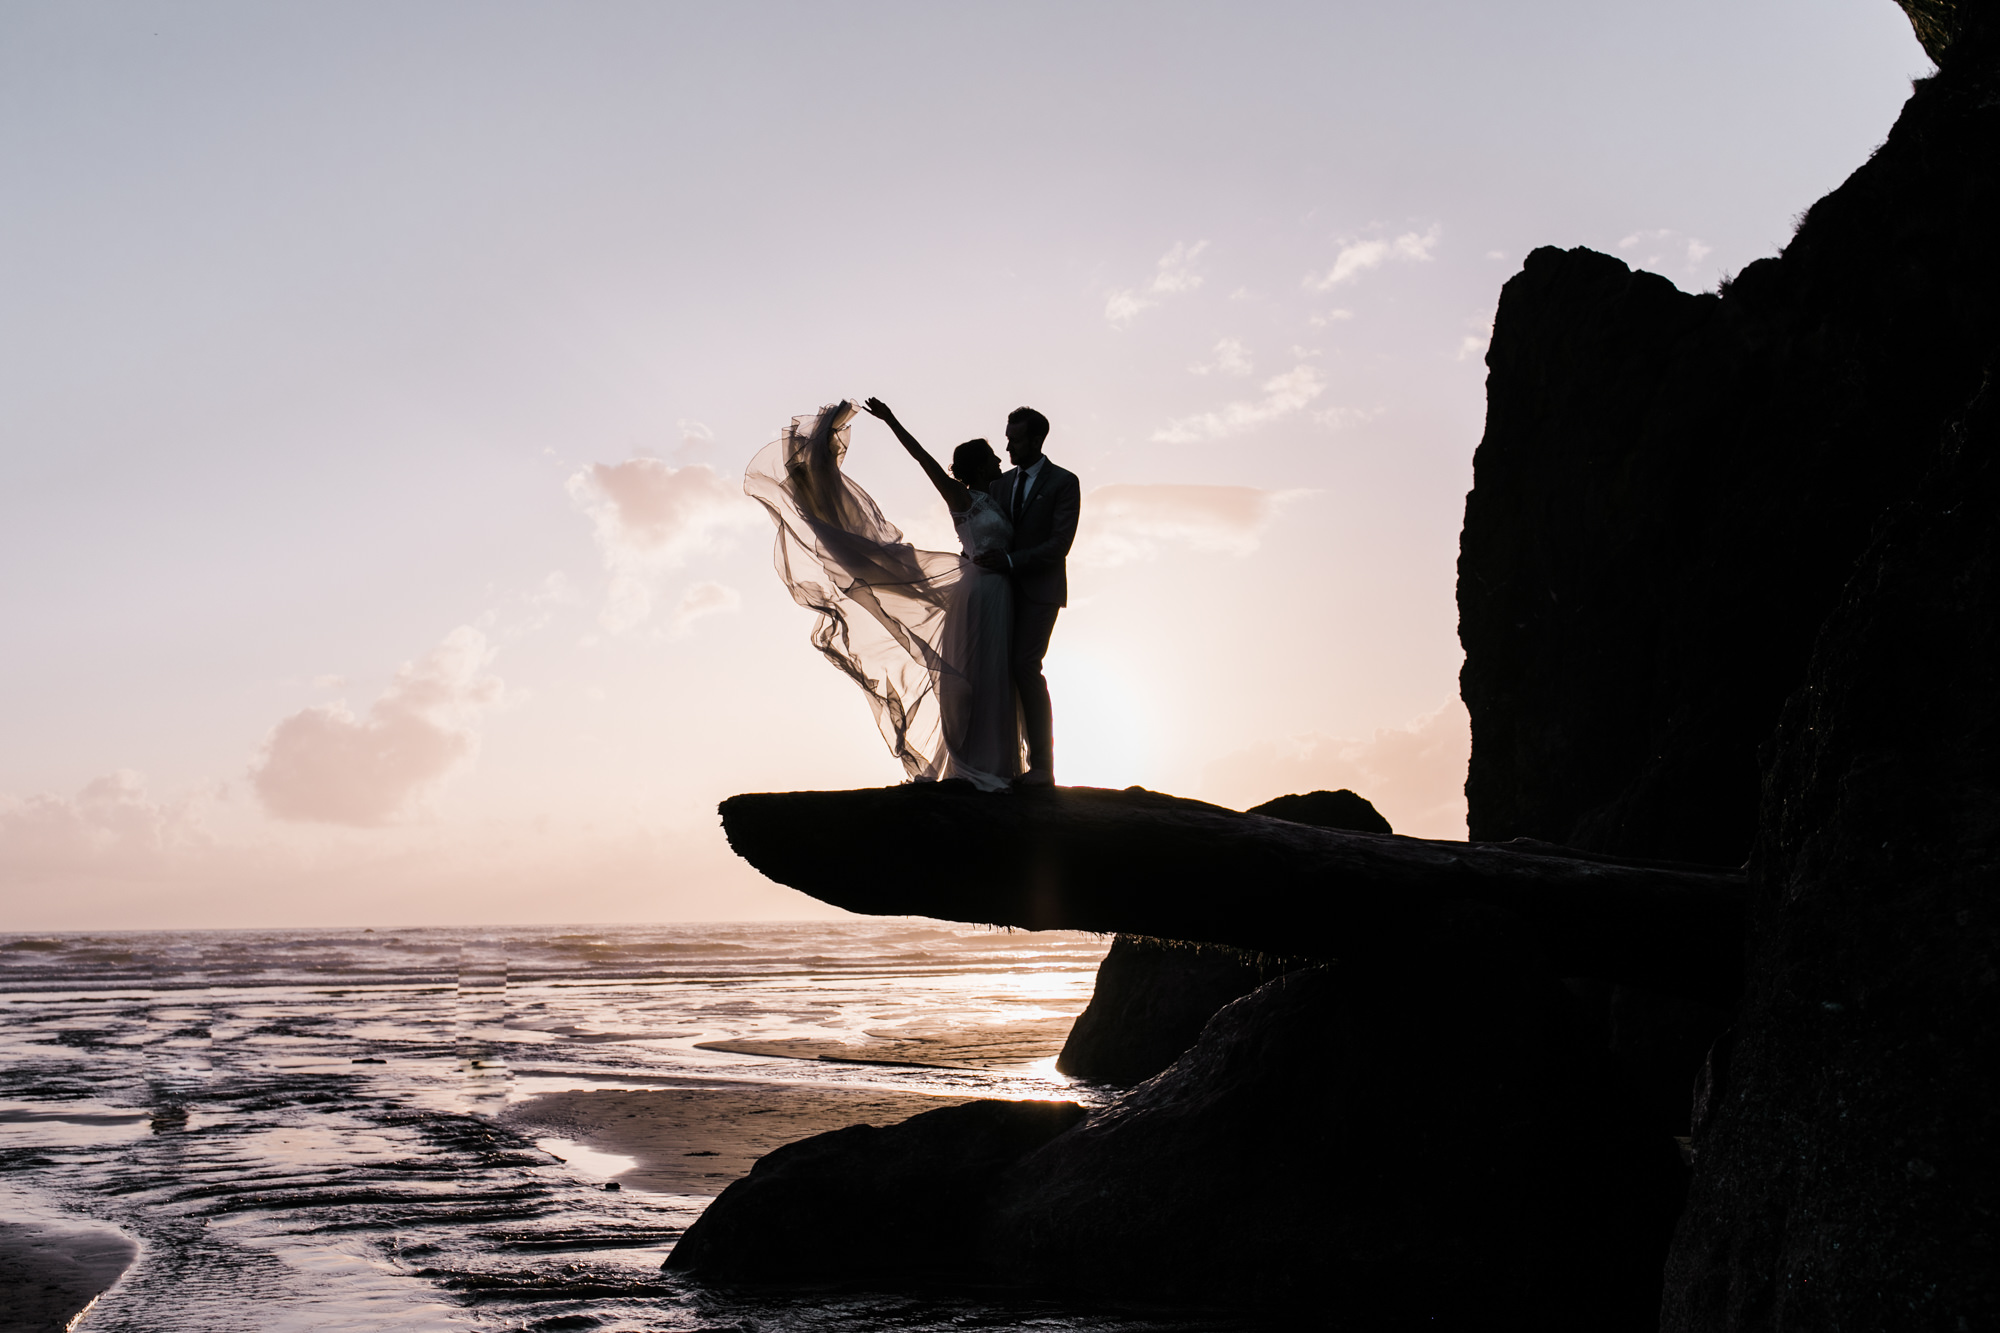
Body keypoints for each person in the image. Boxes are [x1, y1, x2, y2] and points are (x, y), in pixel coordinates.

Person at [742, 399, 1025, 790]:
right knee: (982, 674)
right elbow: (923, 460)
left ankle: (1003, 764)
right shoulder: (962, 499)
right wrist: (892, 420)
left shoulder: (1000, 495)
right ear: (977, 466)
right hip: (980, 593)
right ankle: (980, 766)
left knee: (1001, 674)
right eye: (993, 458)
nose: (999, 463)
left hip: (1001, 592)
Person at [978, 406, 1079, 787]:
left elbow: (1058, 545)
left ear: (1036, 440)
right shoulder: (1000, 485)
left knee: (1025, 666)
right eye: (1007, 438)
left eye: (1015, 440)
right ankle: (1005, 762)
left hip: (1040, 593)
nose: (1007, 447)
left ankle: (1043, 768)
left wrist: (1008, 560)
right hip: (999, 594)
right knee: (999, 673)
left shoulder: (1065, 483)